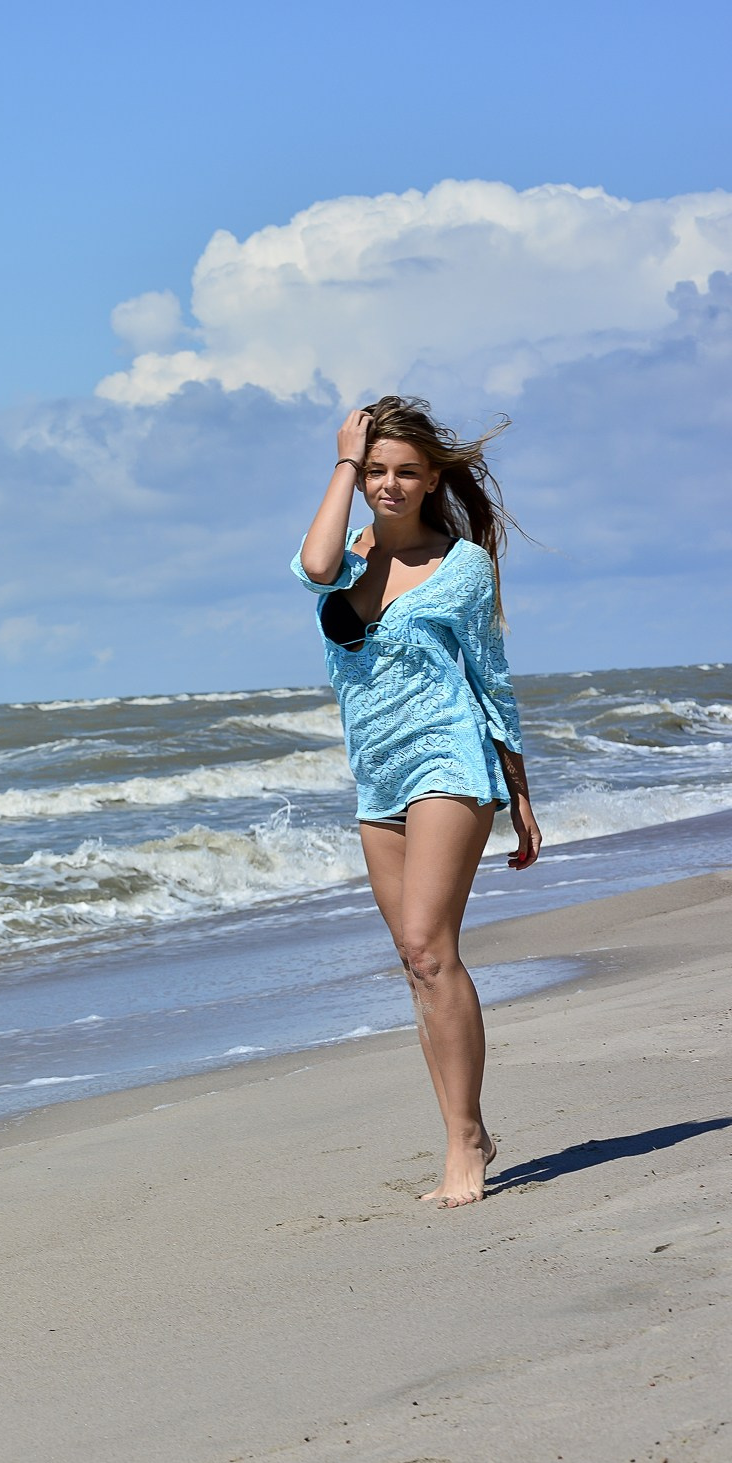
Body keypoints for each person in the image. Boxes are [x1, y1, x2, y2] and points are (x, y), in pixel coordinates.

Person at [294, 395, 542, 1208]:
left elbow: (491, 679)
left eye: (406, 471)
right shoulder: (349, 555)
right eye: (376, 471)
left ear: (433, 479)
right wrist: (343, 457)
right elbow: (317, 568)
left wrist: (520, 790)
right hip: (378, 776)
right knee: (415, 964)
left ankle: (463, 1144)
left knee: (430, 950)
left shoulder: (462, 565)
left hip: (449, 762)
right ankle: (467, 1130)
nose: (389, 485)